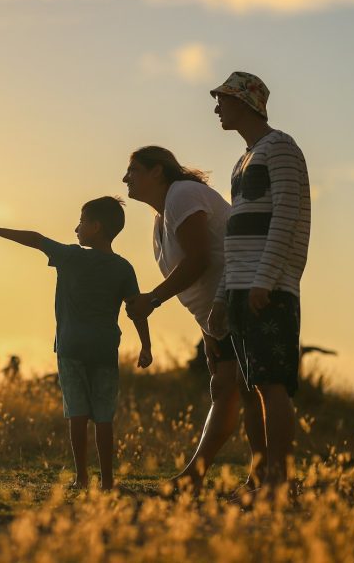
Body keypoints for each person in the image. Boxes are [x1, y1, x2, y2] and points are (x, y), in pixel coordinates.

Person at [0, 197, 152, 490]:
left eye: (81, 221)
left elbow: (36, 239)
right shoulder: (123, 268)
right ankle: (107, 481)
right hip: (105, 350)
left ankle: (82, 478)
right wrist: (146, 346)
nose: (76, 227)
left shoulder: (70, 256)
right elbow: (136, 309)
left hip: (71, 348)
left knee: (77, 415)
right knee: (104, 417)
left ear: (95, 227)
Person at [122, 146, 266, 491]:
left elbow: (200, 259)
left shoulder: (182, 195)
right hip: (220, 313)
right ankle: (251, 476)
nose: (126, 178)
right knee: (232, 389)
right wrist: (208, 332)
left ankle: (221, 477)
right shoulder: (163, 216)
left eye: (133, 170)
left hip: (242, 297)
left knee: (243, 389)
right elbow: (201, 274)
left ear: (157, 172)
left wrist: (153, 299)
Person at [206, 71, 311, 491]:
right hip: (239, 289)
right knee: (250, 388)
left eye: (223, 100)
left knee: (272, 384)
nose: (217, 108)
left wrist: (265, 280)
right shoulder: (242, 160)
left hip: (269, 289)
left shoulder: (281, 148)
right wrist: (221, 296)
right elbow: (236, 235)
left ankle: (278, 483)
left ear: (246, 104)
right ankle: (259, 477)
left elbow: (287, 216)